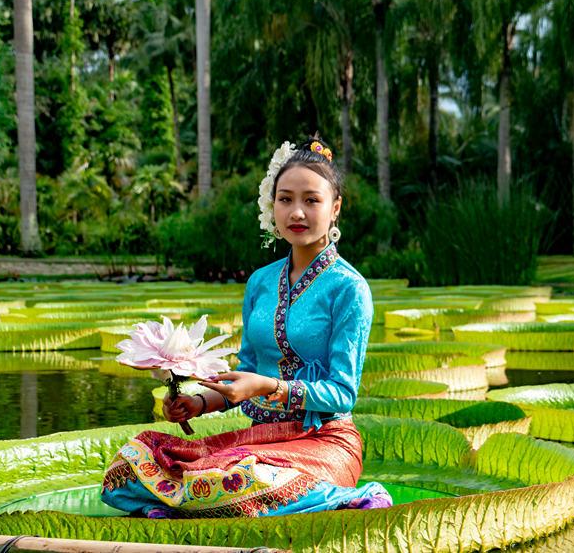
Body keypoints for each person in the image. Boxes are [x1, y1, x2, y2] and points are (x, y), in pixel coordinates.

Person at [100, 136, 392, 518]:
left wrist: (271, 387)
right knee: (128, 465)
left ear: (335, 208)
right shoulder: (260, 282)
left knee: (244, 479)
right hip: (259, 440)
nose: (297, 212)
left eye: (311, 200)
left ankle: (348, 497)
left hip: (322, 442)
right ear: (273, 206)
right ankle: (207, 502)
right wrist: (199, 403)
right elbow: (247, 374)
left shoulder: (349, 288)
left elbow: (342, 394)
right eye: (285, 199)